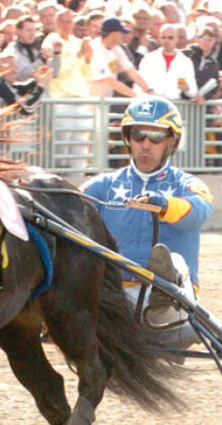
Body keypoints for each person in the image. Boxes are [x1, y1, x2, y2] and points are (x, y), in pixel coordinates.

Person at [82, 96, 212, 347]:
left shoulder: (188, 185)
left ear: (171, 141)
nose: (145, 144)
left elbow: (198, 212)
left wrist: (164, 204)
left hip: (174, 303)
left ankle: (163, 293)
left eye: (155, 137)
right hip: (115, 297)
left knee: (171, 261)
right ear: (127, 139)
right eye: (138, 135)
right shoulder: (101, 186)